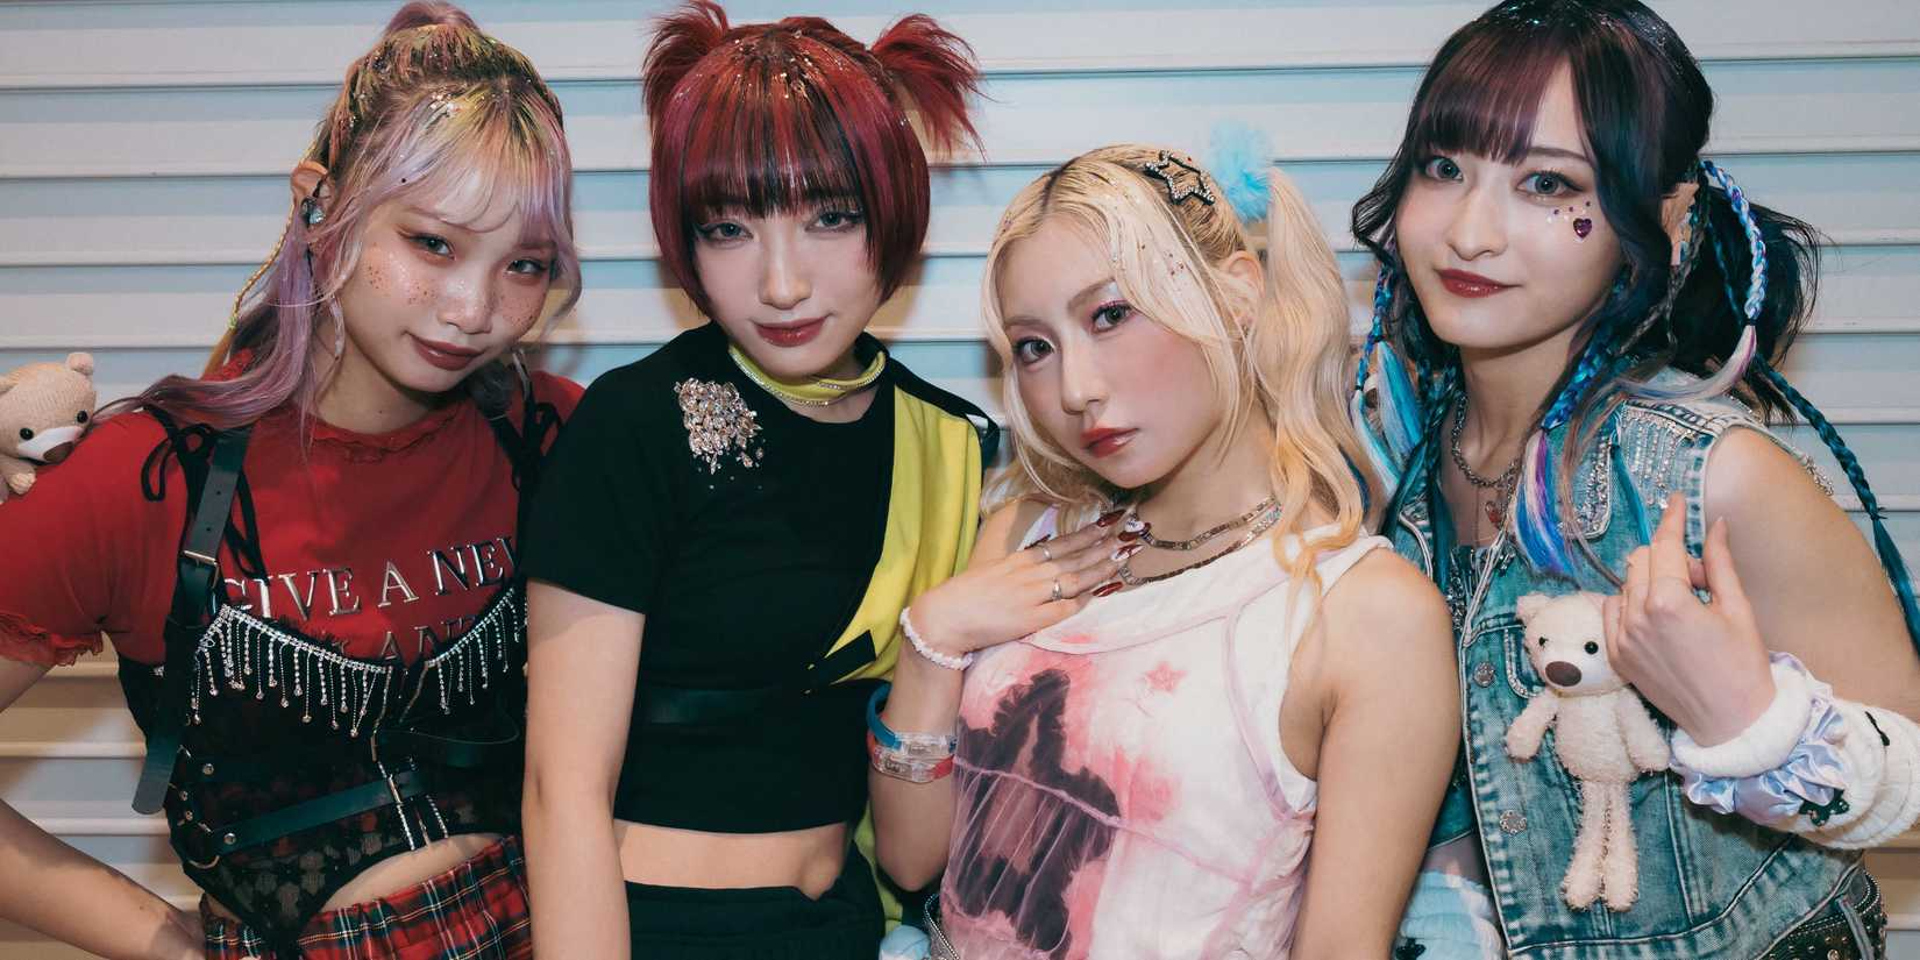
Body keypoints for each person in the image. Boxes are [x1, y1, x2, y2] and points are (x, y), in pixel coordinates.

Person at [0, 4, 580, 956]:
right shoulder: (151, 477)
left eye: (524, 264)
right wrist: (161, 942)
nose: (474, 308)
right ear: (319, 204)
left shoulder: (554, 438)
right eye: (433, 243)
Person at [1349, 2, 1920, 956]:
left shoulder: (1713, 477)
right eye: (1443, 167)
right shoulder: (1384, 455)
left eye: (1546, 183)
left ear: (1664, 218)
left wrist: (1752, 723)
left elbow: (1913, 785)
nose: (1470, 232)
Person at [868, 142, 1460, 959]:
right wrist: (932, 639)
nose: (1076, 389)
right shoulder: (1025, 534)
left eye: (1110, 315)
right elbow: (910, 860)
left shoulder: (1364, 614)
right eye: (1035, 347)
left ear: (1237, 295)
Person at [515, 3, 994, 957]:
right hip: (661, 928)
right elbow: (559, 791)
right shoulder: (636, 425)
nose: (781, 283)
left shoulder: (948, 439)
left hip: (850, 922)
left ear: (896, 211)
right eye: (729, 228)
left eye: (831, 218)